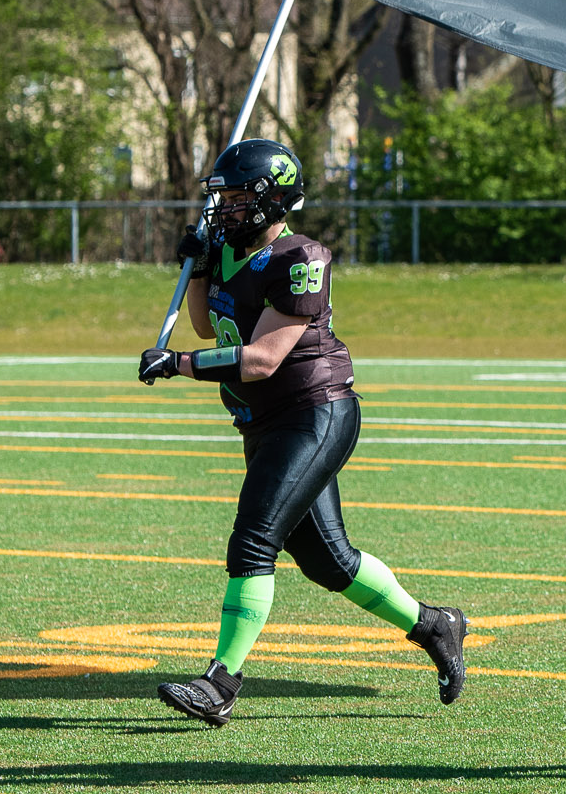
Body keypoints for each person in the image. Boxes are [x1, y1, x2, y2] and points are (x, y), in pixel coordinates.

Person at [136, 139, 467, 726]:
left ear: (271, 200)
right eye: (223, 198)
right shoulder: (231, 253)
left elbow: (261, 357)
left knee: (253, 539)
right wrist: (199, 268)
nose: (226, 211)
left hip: (314, 413)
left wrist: (180, 364)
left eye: (238, 199)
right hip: (262, 420)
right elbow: (205, 324)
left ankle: (221, 683)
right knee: (329, 563)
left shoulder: (302, 255)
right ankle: (434, 624)